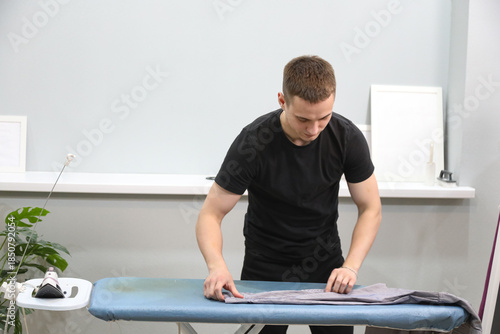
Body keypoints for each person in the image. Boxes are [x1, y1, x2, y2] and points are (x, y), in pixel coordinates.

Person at [196, 55, 382, 334]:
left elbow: (371, 208)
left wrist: (351, 268)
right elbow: (211, 213)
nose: (314, 129)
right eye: (304, 119)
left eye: (324, 117)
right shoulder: (253, 142)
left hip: (325, 264)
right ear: (282, 101)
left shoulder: (346, 138)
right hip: (265, 265)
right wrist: (216, 266)